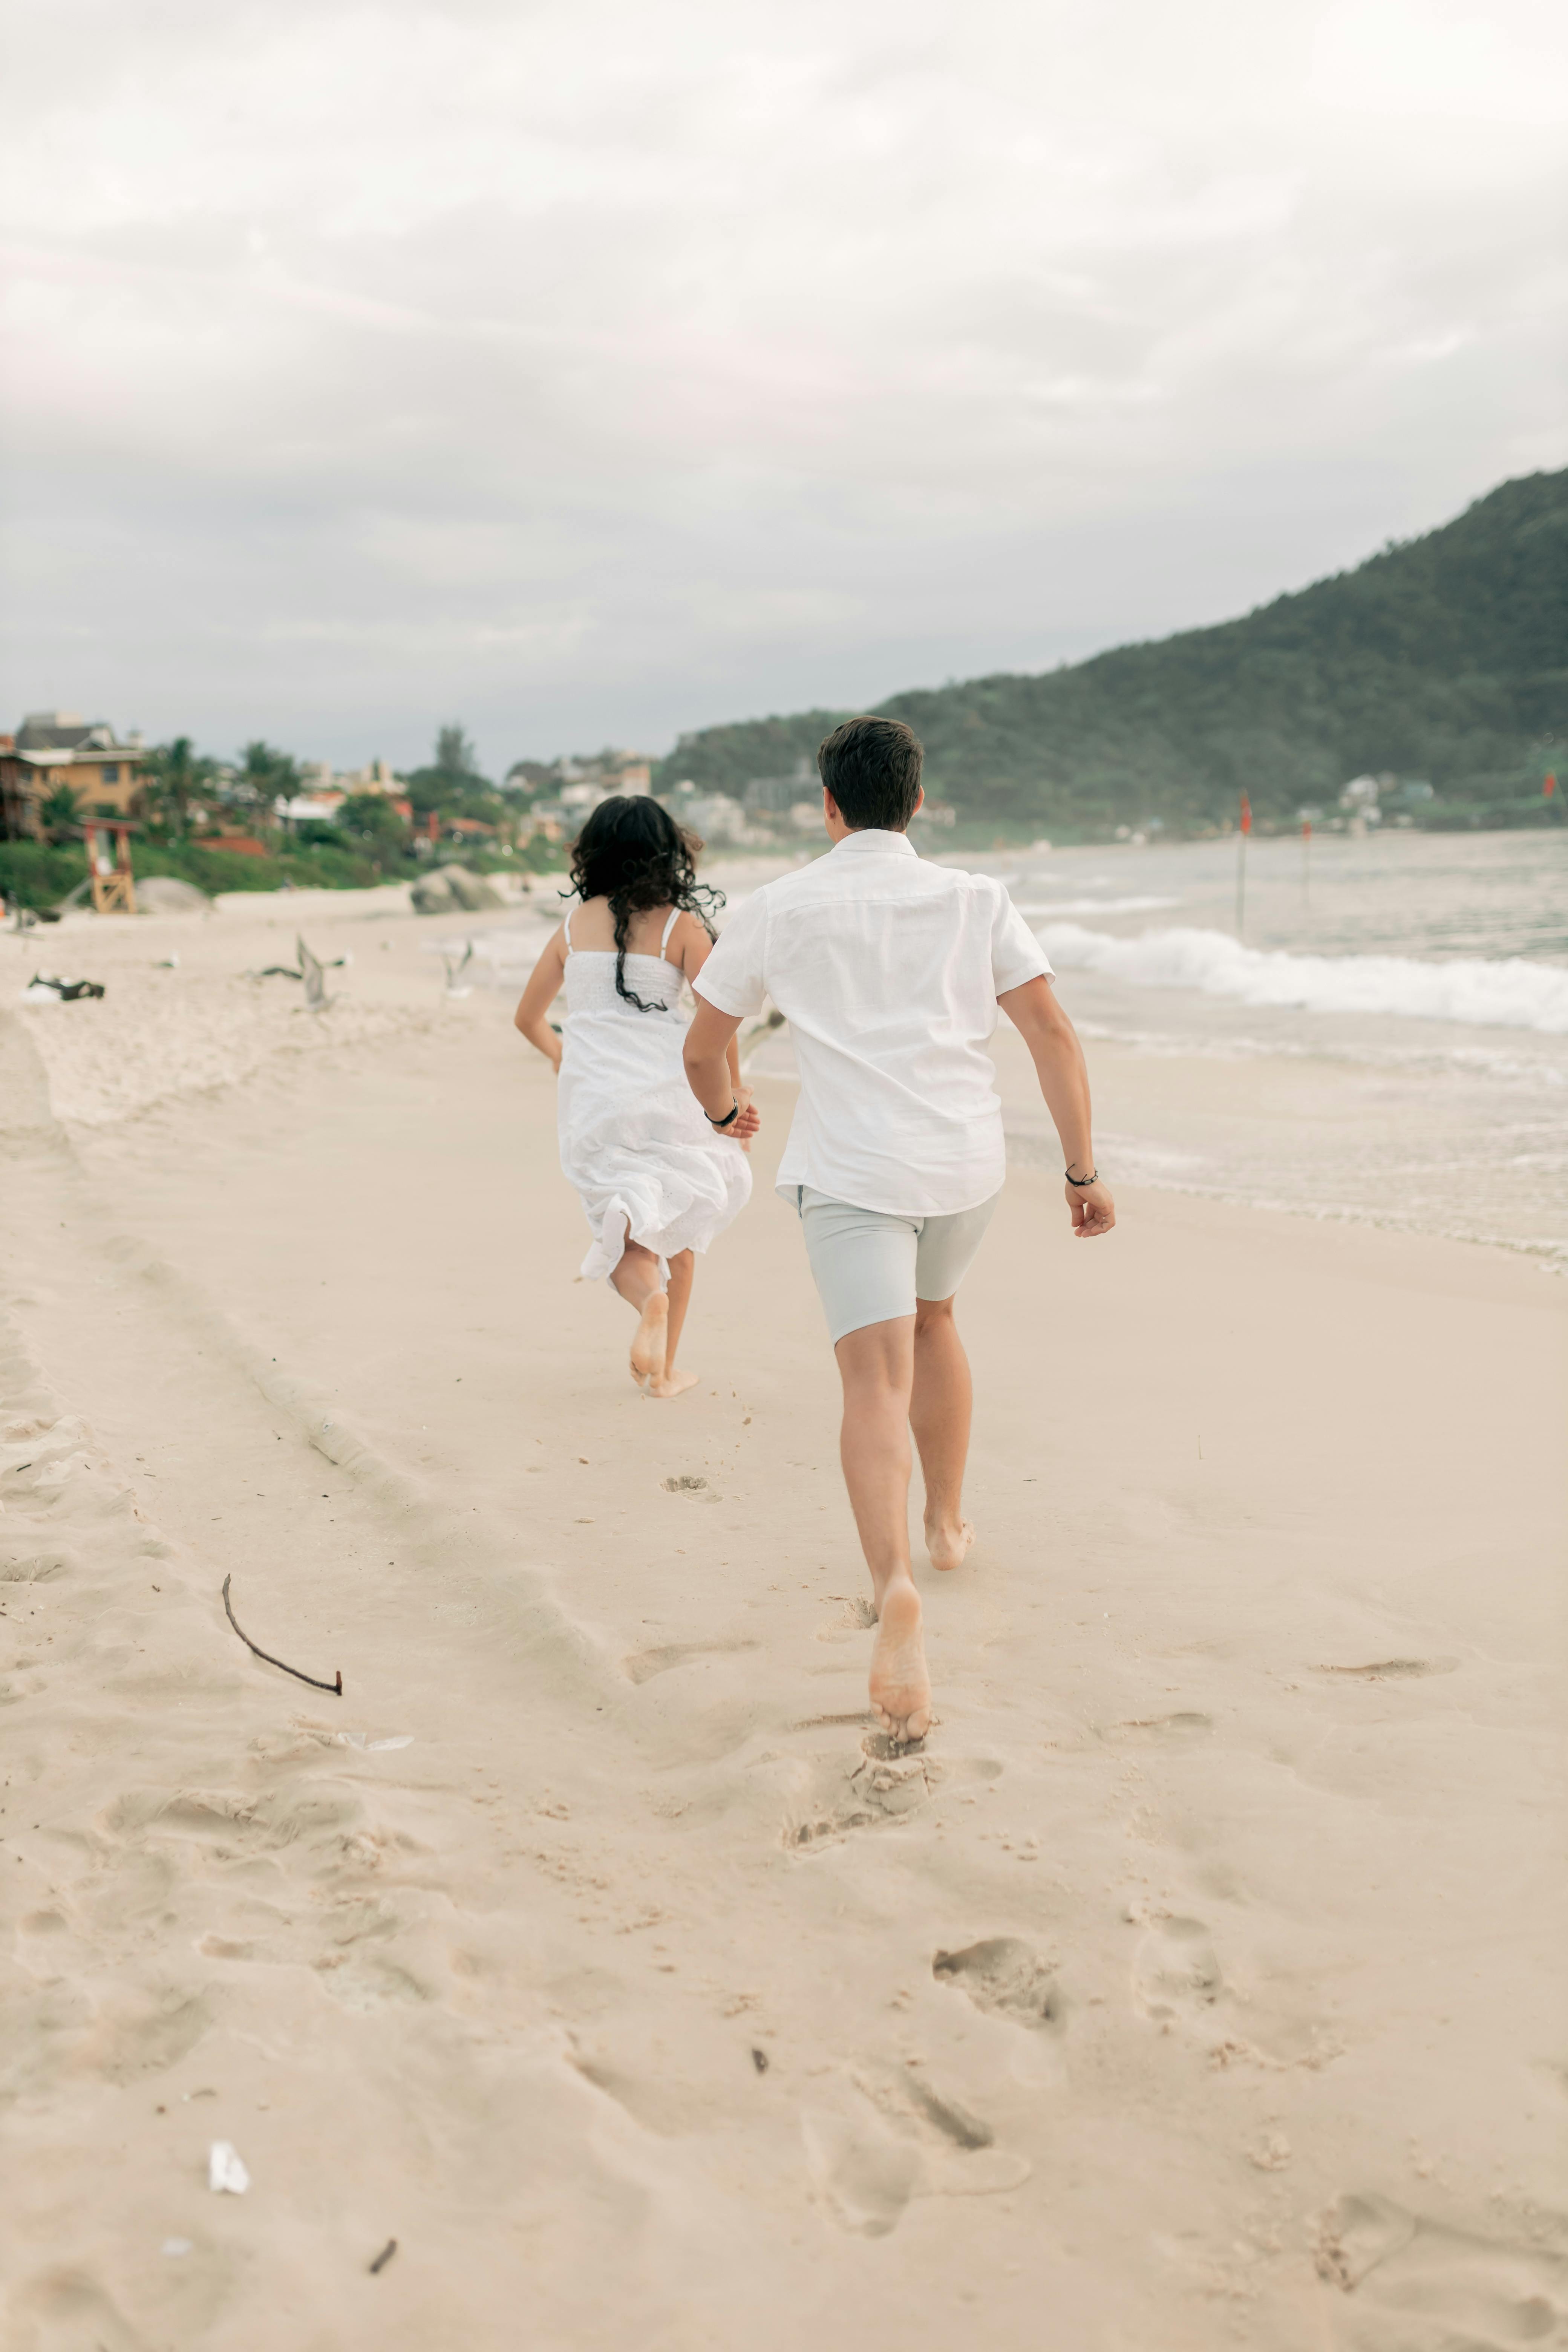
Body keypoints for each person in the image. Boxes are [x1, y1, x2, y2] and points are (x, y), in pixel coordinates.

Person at [683, 716, 1115, 1738]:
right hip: (962, 1164)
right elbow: (1052, 1032)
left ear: (827, 806)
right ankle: (947, 1524)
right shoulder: (977, 900)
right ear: (918, 802)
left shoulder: (780, 908)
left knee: (873, 1376)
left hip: (852, 1169)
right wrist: (1083, 1170)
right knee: (938, 1321)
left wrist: (722, 1115)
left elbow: (705, 1050)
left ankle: (895, 1584)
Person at [514, 796, 759, 1398]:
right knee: (680, 1226)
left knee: (622, 1230)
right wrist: (732, 1095)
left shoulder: (571, 928)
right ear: (667, 852)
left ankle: (649, 1300)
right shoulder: (682, 925)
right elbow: (718, 1017)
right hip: (670, 1095)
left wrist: (561, 1055)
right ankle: (666, 1370)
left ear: (591, 852)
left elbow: (528, 1018)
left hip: (595, 1103)